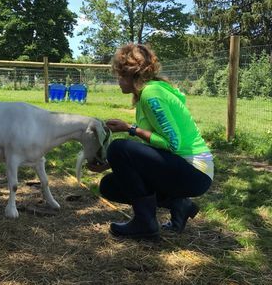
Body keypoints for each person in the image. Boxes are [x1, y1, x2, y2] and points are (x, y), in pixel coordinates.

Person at [88, 43, 214, 240]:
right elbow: (152, 150)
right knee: (109, 185)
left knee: (118, 147)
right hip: (179, 167)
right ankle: (178, 204)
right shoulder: (147, 94)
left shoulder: (151, 95)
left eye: (120, 76)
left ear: (132, 74)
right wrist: (107, 165)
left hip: (195, 172)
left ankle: (145, 223)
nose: (118, 81)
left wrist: (130, 129)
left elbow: (173, 143)